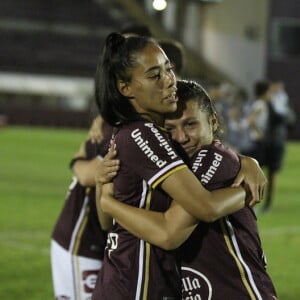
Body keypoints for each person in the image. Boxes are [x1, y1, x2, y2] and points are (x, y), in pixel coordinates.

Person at [92, 32, 265, 300]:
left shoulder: (132, 132)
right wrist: (246, 189)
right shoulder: (142, 135)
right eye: (154, 75)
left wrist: (246, 162)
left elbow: (106, 221)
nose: (169, 80)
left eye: (168, 69)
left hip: (133, 280)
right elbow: (197, 213)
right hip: (137, 284)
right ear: (125, 88)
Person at [50, 117, 112, 300]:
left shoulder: (109, 121)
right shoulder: (120, 127)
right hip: (81, 239)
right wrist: (76, 161)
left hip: (105, 241)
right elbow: (88, 175)